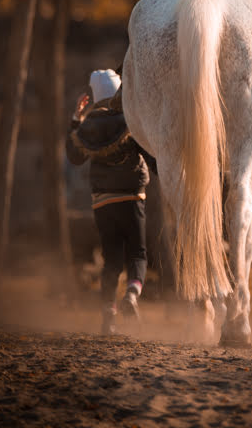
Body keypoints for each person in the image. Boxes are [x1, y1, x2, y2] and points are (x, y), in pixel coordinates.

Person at [66, 68, 149, 335]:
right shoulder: (131, 120)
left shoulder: (88, 127)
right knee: (137, 253)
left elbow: (75, 157)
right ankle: (132, 296)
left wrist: (76, 120)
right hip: (132, 197)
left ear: (94, 94)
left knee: (111, 260)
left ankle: (108, 318)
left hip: (102, 202)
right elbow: (150, 151)